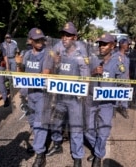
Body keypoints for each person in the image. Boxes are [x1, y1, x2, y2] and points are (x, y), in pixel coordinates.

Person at [46, 22, 90, 167]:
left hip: (74, 97)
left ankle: (77, 156)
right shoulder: (58, 46)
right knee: (56, 122)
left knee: (76, 125)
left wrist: (84, 92)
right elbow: (50, 57)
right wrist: (53, 61)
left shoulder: (81, 51)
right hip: (59, 95)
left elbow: (85, 73)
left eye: (68, 35)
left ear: (75, 37)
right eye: (63, 34)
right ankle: (57, 144)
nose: (65, 38)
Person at [17, 27, 54, 167]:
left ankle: (40, 154)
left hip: (43, 94)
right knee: (32, 121)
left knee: (40, 122)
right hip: (30, 94)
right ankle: (39, 143)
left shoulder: (47, 54)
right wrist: (19, 64)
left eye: (41, 39)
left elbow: (45, 73)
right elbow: (20, 74)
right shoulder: (26, 54)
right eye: (36, 39)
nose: (40, 42)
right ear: (30, 40)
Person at [84, 32, 116, 167]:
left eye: (104, 44)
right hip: (92, 99)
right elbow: (84, 76)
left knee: (103, 129)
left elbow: (125, 83)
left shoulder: (118, 62)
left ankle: (98, 155)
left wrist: (122, 101)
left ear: (112, 46)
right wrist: (93, 72)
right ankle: (97, 146)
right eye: (100, 44)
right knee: (87, 127)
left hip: (107, 102)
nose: (101, 46)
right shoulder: (93, 59)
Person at [113, 38, 130, 119]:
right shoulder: (115, 56)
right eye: (128, 45)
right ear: (123, 45)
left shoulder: (127, 58)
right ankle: (113, 110)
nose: (129, 46)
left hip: (125, 80)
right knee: (115, 95)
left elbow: (127, 70)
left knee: (124, 96)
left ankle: (124, 109)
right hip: (116, 80)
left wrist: (129, 80)